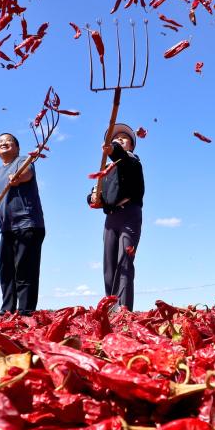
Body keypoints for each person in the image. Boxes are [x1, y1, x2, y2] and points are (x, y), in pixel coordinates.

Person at [0, 133, 46, 315]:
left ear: (17, 148)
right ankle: (7, 311)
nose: (3, 143)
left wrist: (17, 177)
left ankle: (25, 313)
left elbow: (27, 174)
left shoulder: (22, 161)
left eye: (8, 141)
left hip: (27, 224)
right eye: (0, 141)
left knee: (25, 270)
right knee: (6, 271)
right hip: (7, 228)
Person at [87, 123, 144, 310]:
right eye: (115, 137)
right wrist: (93, 197)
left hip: (130, 215)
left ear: (131, 145)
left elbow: (121, 157)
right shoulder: (107, 169)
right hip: (111, 219)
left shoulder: (132, 161)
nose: (119, 138)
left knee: (124, 262)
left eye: (124, 137)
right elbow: (98, 195)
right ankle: (111, 309)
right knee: (109, 266)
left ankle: (124, 310)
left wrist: (114, 149)